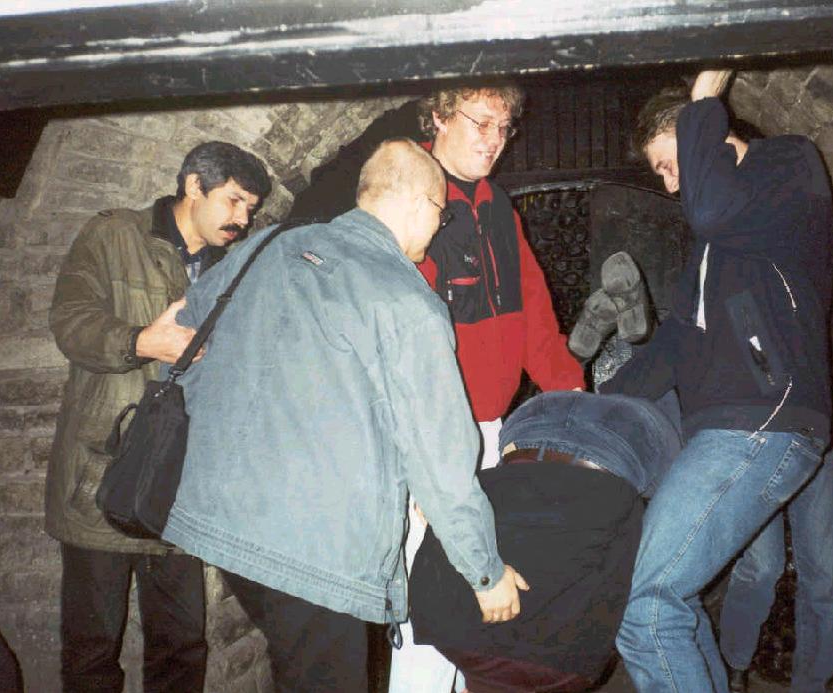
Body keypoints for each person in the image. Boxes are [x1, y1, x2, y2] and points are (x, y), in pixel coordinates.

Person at [160, 139, 528, 692]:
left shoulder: (269, 246)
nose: (439, 229)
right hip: (318, 548)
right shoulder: (407, 302)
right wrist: (485, 572)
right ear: (418, 203)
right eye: (441, 213)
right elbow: (442, 459)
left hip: (222, 519)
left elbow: (181, 337)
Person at [599, 68, 833, 692]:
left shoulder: (787, 165)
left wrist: (703, 102)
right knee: (666, 602)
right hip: (729, 428)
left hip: (762, 419)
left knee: (646, 605)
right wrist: (598, 404)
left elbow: (709, 209)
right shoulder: (713, 248)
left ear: (702, 133)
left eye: (669, 164)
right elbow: (677, 341)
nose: (670, 184)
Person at [46, 141, 271, 692]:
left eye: (251, 208)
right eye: (234, 201)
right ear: (194, 186)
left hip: (180, 487)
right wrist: (141, 341)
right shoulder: (114, 235)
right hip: (104, 473)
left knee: (182, 647)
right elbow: (70, 322)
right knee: (92, 650)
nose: (243, 219)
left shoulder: (236, 266)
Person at [391, 81, 586, 693]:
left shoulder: (498, 205)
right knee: (430, 606)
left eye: (503, 128)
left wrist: (574, 406)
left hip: (488, 430)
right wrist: (424, 461)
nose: (494, 140)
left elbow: (535, 317)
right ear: (439, 118)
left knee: (470, 603)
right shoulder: (410, 194)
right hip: (433, 431)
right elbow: (398, 341)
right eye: (480, 122)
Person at [409, 389, 682, 693]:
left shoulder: (573, 671)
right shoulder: (438, 628)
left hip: (626, 439)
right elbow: (444, 521)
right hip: (530, 423)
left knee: (674, 421)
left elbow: (627, 567)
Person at [719, 449, 833, 692]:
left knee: (822, 580)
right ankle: (734, 662)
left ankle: (811, 686)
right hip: (757, 441)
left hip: (817, 441)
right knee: (762, 567)